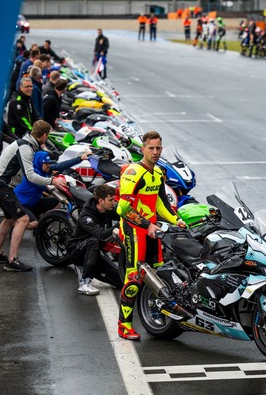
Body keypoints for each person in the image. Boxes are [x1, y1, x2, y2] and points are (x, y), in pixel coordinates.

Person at [116, 131, 186, 340]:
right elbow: (122, 208)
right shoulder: (133, 172)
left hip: (152, 229)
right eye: (151, 148)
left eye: (158, 148)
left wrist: (177, 220)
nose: (155, 152)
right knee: (134, 278)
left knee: (158, 275)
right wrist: (147, 225)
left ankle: (154, 313)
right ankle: (124, 325)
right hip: (133, 229)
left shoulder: (158, 173)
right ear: (143, 149)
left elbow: (161, 204)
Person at [0, 120, 66, 272]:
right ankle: (12, 260)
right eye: (47, 136)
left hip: (3, 184)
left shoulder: (25, 143)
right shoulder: (25, 147)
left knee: (9, 220)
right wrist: (52, 181)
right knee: (23, 219)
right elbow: (30, 176)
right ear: (44, 136)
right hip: (2, 185)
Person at [67, 184, 123, 296]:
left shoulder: (108, 209)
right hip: (77, 251)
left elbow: (123, 216)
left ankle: (89, 266)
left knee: (120, 281)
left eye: (114, 199)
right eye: (111, 200)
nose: (114, 202)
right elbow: (102, 235)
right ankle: (85, 283)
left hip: (95, 252)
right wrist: (119, 225)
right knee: (94, 240)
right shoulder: (86, 216)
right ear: (101, 201)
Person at [14, 150, 88, 221]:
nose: (49, 165)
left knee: (56, 201)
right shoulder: (33, 175)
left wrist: (80, 158)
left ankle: (45, 222)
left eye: (49, 163)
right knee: (33, 223)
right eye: (46, 163)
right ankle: (17, 225)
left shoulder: (44, 168)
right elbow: (46, 186)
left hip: (34, 202)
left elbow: (60, 166)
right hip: (21, 203)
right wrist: (55, 182)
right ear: (39, 163)